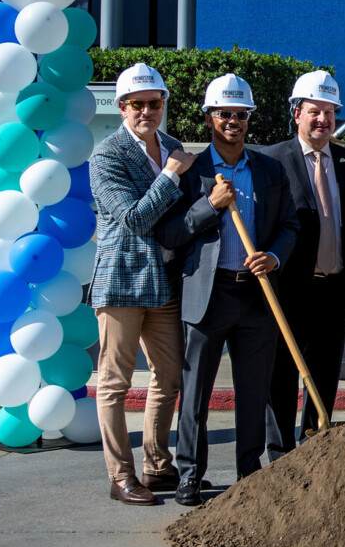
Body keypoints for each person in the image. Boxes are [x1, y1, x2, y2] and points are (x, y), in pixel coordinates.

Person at [161, 73, 297, 507]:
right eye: (224, 114)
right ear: (209, 118)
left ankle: (248, 471)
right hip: (209, 293)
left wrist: (273, 257)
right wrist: (208, 206)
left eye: (240, 114)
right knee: (195, 391)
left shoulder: (269, 169)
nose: (233, 121)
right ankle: (189, 474)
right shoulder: (190, 172)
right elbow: (170, 233)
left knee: (254, 391)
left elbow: (289, 226)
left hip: (257, 294)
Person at [89, 63, 193, 506]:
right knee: (115, 382)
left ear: (164, 104)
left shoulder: (172, 145)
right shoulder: (106, 156)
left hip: (165, 281)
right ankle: (121, 476)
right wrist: (170, 175)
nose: (146, 111)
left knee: (169, 376)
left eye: (154, 103)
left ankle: (157, 466)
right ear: (122, 107)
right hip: (121, 282)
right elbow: (134, 219)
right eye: (137, 104)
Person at [263, 70, 345, 456]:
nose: (323, 120)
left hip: (335, 288)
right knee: (283, 375)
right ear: (297, 114)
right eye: (314, 112)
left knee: (324, 374)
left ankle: (314, 446)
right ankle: (280, 453)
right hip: (291, 288)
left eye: (329, 112)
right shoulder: (273, 160)